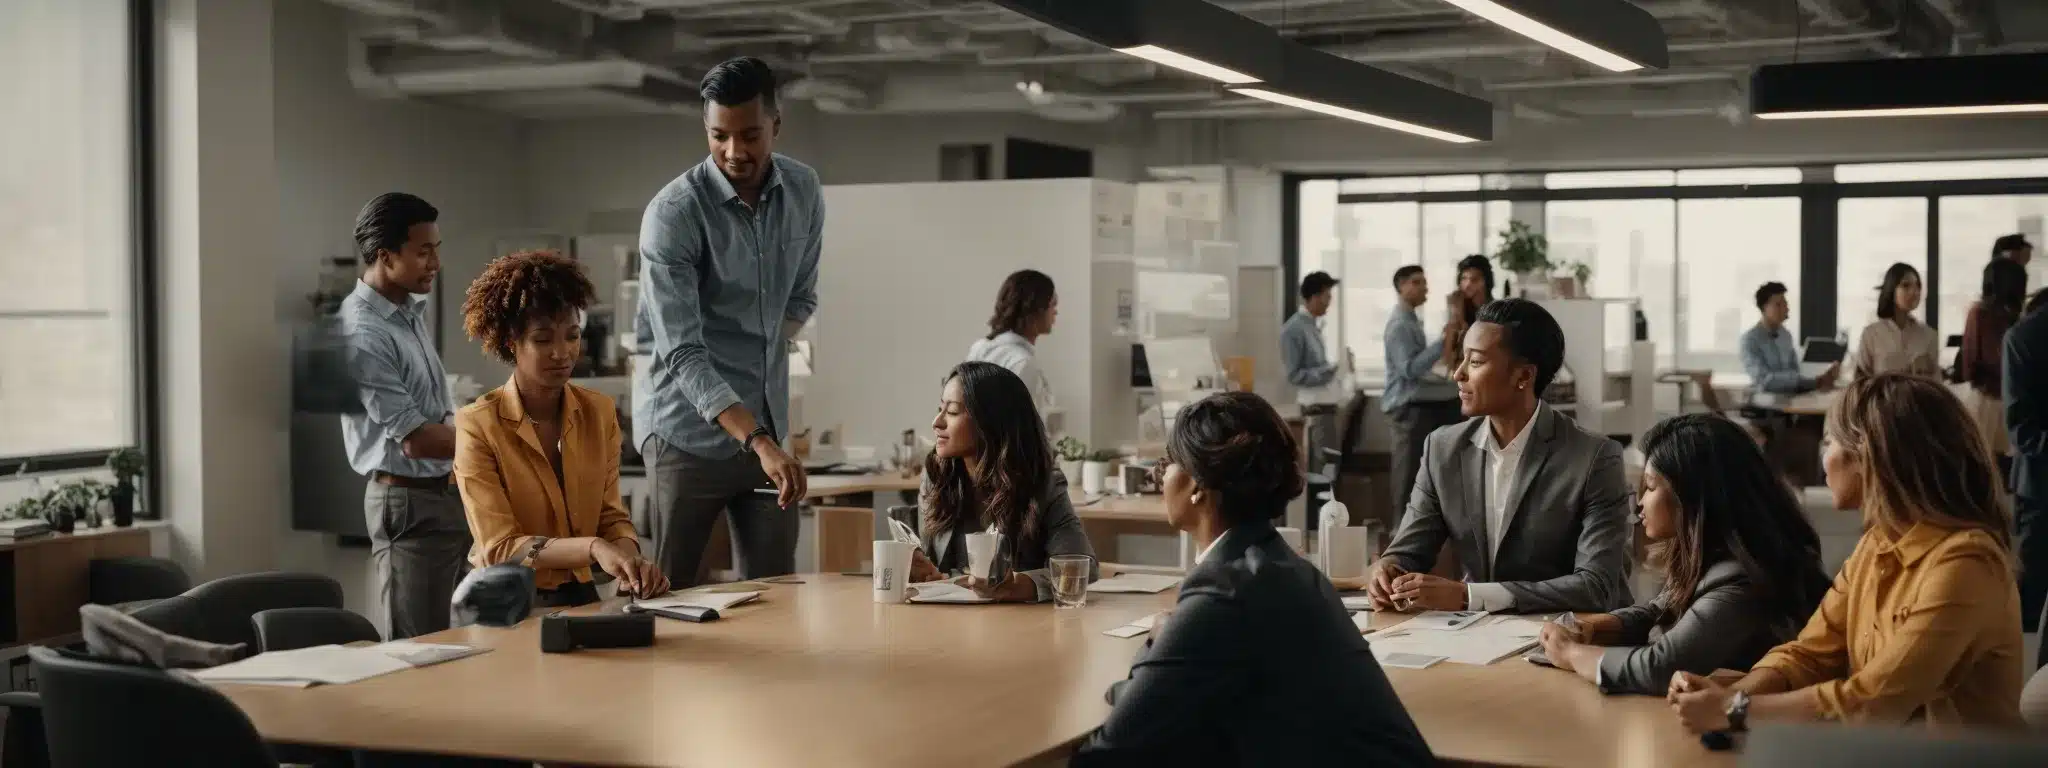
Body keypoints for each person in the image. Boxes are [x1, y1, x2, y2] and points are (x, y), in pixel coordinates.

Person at [1072, 392, 1433, 767]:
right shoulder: (1286, 567)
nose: (1160, 474)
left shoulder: (1224, 593)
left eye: (1169, 461)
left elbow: (1112, 751)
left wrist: (1154, 643)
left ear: (1198, 485)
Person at [1670, 374, 2024, 734]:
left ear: (1867, 454)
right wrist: (1728, 694)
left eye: (1829, 441)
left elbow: (1873, 703)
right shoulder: (1876, 545)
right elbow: (1808, 655)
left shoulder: (1966, 564)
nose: (1823, 458)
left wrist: (1734, 708)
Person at [636, 57, 821, 586]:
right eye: (719, 136)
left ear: (776, 126)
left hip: (767, 426)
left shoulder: (804, 190)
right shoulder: (673, 214)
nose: (735, 152)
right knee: (671, 594)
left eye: (750, 135)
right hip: (684, 432)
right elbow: (683, 352)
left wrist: (759, 365)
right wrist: (758, 439)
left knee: (774, 594)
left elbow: (801, 298)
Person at [1368, 298, 1633, 614]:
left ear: (1523, 376)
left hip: (1569, 637)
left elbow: (1596, 587)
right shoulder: (1442, 449)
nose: (1458, 374)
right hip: (1478, 639)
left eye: (1476, 362)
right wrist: (1387, 568)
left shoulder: (1594, 458)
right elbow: (1408, 549)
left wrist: (1470, 596)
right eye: (1462, 358)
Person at [1536, 414, 1829, 696]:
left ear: (1690, 495)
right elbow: (1659, 610)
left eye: (1650, 487)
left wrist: (1571, 653)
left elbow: (1661, 668)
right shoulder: (1716, 552)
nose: (1639, 503)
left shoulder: (1743, 578)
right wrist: (1592, 627)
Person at [453, 250, 667, 609]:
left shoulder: (598, 412)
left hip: (581, 596)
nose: (562, 352)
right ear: (511, 343)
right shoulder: (478, 424)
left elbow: (611, 518)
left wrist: (632, 564)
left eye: (571, 336)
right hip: (504, 603)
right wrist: (593, 547)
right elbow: (499, 547)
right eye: (543, 339)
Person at [338, 192, 469, 639]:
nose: (435, 263)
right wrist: (504, 435)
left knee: (465, 641)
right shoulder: (363, 331)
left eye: (437, 249)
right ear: (384, 256)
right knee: (417, 649)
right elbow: (415, 439)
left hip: (445, 495)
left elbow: (436, 412)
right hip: (409, 503)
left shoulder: (407, 313)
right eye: (423, 251)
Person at [907, 362, 1096, 601]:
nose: (937, 422)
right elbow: (931, 564)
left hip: (1020, 626)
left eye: (952, 412)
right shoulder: (936, 477)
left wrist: (1020, 586)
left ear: (990, 422)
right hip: (948, 622)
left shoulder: (1043, 484)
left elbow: (1081, 566)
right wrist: (922, 572)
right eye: (940, 409)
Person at [1382, 265, 1463, 519]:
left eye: (1424, 282)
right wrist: (1443, 342)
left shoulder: (1411, 321)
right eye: (1417, 283)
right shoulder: (1399, 325)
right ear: (1401, 287)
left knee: (1418, 471)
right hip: (1406, 407)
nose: (1424, 288)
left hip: (1417, 403)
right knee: (1407, 474)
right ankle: (1399, 532)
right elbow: (1409, 369)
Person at [1959, 258, 2028, 481]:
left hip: (2003, 400)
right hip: (1989, 400)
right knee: (1987, 471)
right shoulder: (1981, 314)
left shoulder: (2016, 315)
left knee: (2001, 473)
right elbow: (1970, 364)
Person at [965, 269, 1058, 424]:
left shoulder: (979, 348)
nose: (1056, 312)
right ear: (1036, 309)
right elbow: (1021, 430)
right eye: (1052, 304)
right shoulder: (1023, 363)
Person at [2007, 287, 2048, 639]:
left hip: (2038, 479)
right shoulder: (2025, 337)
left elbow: (2021, 427)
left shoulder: (2021, 337)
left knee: (2029, 614)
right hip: (2040, 479)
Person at [1282, 271, 1347, 485]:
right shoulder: (1294, 329)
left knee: (1329, 472)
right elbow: (1295, 375)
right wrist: (1328, 371)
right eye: (1327, 297)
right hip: (1315, 413)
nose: (1329, 303)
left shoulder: (1312, 326)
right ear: (1315, 297)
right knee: (1323, 476)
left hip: (1326, 411)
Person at [1741, 281, 1838, 395]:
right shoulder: (1750, 340)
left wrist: (1818, 380)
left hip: (1789, 399)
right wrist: (1815, 382)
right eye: (1778, 304)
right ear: (1764, 308)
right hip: (1764, 403)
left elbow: (1794, 372)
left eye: (1785, 303)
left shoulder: (1786, 335)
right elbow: (1764, 380)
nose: (1785, 308)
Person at [1848, 262, 1939, 380]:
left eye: (1918, 286)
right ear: (1891, 289)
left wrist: (1924, 373)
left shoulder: (1929, 336)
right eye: (1906, 285)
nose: (1914, 291)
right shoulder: (1871, 335)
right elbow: (1860, 384)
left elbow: (1938, 387)